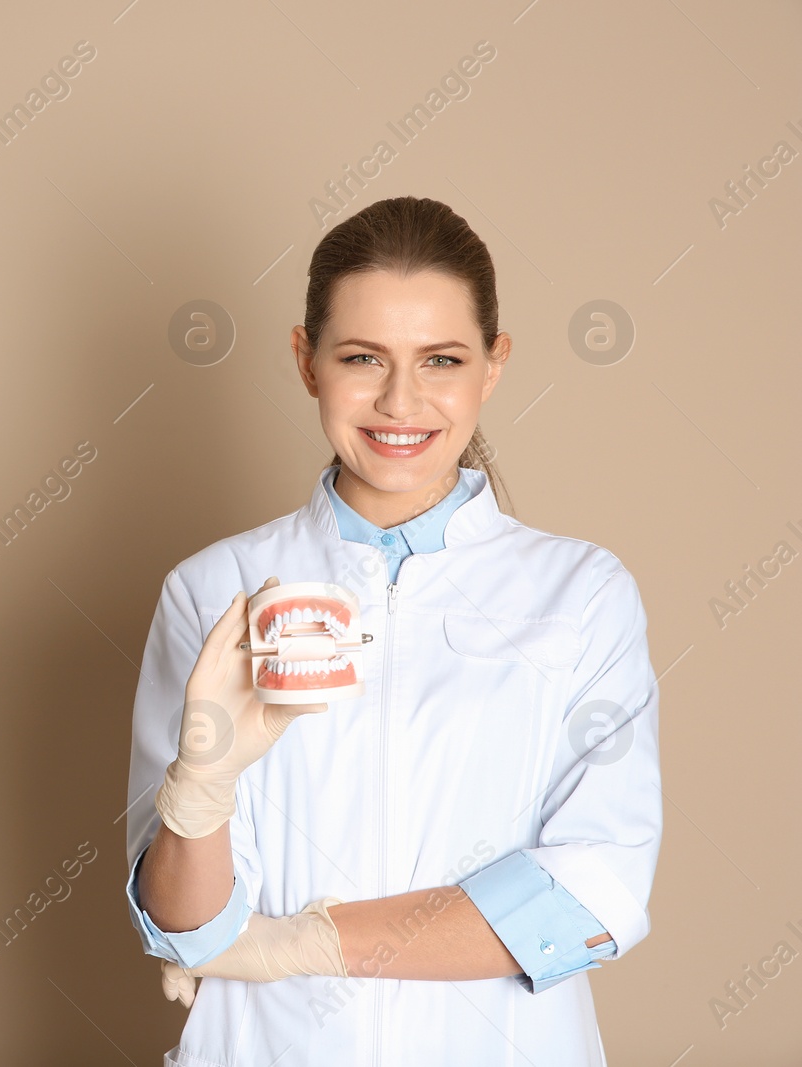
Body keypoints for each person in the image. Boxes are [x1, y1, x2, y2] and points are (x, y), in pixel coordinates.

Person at [124, 196, 661, 1066]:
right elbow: (188, 929)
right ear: (306, 361)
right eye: (362, 357)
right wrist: (203, 781)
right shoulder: (212, 590)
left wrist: (303, 942)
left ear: (493, 365)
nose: (400, 400)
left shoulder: (582, 595)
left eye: (441, 359)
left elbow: (590, 896)